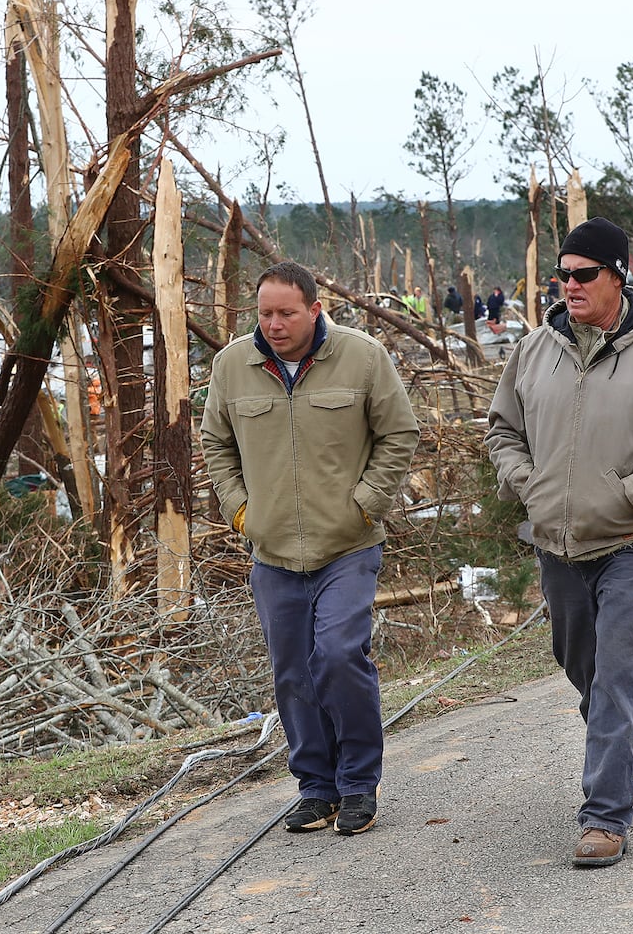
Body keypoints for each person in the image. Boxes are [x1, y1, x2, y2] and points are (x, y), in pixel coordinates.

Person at [485, 217, 633, 868]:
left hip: (631, 540)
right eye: (560, 275)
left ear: (618, 275)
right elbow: (501, 431)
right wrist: (524, 483)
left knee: (617, 674)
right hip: (557, 542)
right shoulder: (533, 351)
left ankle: (605, 815)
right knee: (582, 667)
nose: (568, 285)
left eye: (582, 274)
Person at [200, 261, 419, 836]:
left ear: (315, 310)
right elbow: (216, 443)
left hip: (347, 544)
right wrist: (240, 509)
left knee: (340, 656)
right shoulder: (232, 367)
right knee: (293, 672)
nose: (274, 324)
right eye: (264, 313)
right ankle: (316, 788)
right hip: (271, 550)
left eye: (286, 313)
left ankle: (357, 785)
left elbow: (399, 434)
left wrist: (366, 504)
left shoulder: (363, 357)